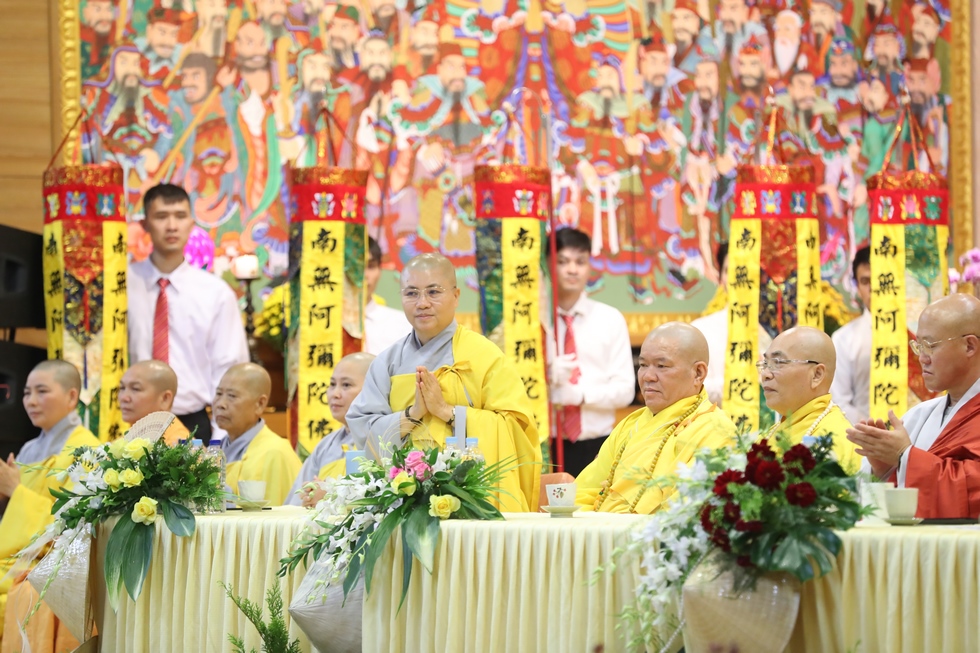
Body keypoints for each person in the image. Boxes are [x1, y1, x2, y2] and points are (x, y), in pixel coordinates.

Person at [347, 253, 542, 512]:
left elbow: (516, 428)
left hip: (473, 497)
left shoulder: (484, 355)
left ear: (456, 296)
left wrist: (447, 412)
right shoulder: (388, 362)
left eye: (433, 292)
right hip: (403, 500)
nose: (422, 303)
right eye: (412, 293)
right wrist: (412, 414)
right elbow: (364, 427)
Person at [128, 184, 249, 441]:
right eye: (161, 216)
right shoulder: (124, 285)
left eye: (180, 216)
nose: (172, 226)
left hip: (193, 423)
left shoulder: (215, 292)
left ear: (191, 223)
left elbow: (229, 368)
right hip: (131, 421)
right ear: (145, 224)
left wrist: (220, 437)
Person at [576, 323, 738, 514]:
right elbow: (584, 492)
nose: (647, 376)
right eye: (643, 365)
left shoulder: (715, 430)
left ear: (698, 373)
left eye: (662, 366)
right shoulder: (630, 425)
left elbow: (683, 514)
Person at [847, 294, 980, 518]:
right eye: (919, 346)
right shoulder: (918, 416)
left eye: (930, 345)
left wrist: (904, 456)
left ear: (969, 346)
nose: (922, 358)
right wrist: (884, 469)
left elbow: (973, 491)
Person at [0, 361, 100, 646]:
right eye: (26, 393)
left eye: (42, 391)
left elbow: (75, 527)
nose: (31, 401)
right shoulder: (29, 448)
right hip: (14, 554)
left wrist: (16, 491)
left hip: (43, 563)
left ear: (71, 396)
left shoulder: (87, 451)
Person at [547, 228, 635, 477]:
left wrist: (580, 395)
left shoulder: (609, 319)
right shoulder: (535, 322)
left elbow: (625, 391)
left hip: (597, 443)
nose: (572, 270)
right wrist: (546, 376)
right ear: (548, 264)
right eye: (563, 261)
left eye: (580, 262)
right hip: (545, 442)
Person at [759, 326, 860, 473]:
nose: (765, 374)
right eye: (765, 364)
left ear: (817, 375)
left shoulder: (833, 439)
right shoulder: (772, 433)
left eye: (778, 362)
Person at [691, 243, 773, 406]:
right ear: (721, 278)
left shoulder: (778, 328)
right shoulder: (701, 330)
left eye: (746, 270)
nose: (739, 278)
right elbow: (692, 387)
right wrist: (747, 382)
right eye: (731, 271)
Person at [287, 352, 375, 507]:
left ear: (373, 389)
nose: (335, 394)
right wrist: (308, 496)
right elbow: (295, 502)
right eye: (332, 384)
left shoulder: (386, 438)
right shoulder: (326, 445)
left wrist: (330, 496)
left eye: (346, 385)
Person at [215, 363, 301, 506]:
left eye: (232, 396)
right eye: (218, 394)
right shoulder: (215, 451)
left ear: (260, 404)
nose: (220, 404)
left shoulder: (275, 453)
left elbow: (271, 517)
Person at [831, 246, 872, 424]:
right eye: (865, 281)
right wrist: (873, 430)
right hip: (866, 433)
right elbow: (840, 402)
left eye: (880, 279)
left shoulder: (916, 332)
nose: (873, 288)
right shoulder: (844, 339)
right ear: (857, 287)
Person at [363, 236, 412, 355]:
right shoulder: (321, 324)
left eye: (371, 266)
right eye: (355, 267)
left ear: (380, 270)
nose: (364, 275)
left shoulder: (403, 327)